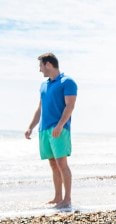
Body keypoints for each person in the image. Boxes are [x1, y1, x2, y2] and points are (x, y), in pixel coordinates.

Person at [25, 53, 78, 209]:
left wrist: (60, 125)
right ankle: (57, 197)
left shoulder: (67, 82)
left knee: (62, 164)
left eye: (40, 66)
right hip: (45, 130)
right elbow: (40, 108)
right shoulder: (44, 85)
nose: (40, 70)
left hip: (59, 129)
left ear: (48, 64)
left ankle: (67, 199)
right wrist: (30, 127)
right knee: (53, 165)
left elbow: (70, 106)